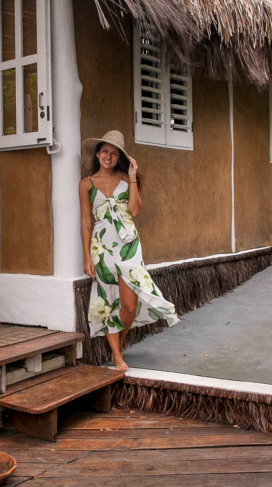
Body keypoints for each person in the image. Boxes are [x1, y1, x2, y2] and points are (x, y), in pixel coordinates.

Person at [79, 130, 179, 371]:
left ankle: (117, 347)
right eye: (105, 151)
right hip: (102, 248)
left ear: (119, 158)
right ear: (98, 154)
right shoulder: (86, 184)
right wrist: (86, 256)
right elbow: (85, 221)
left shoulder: (126, 180)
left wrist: (133, 177)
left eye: (114, 153)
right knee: (108, 300)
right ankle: (116, 355)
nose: (109, 156)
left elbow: (134, 210)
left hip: (129, 246)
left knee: (129, 306)